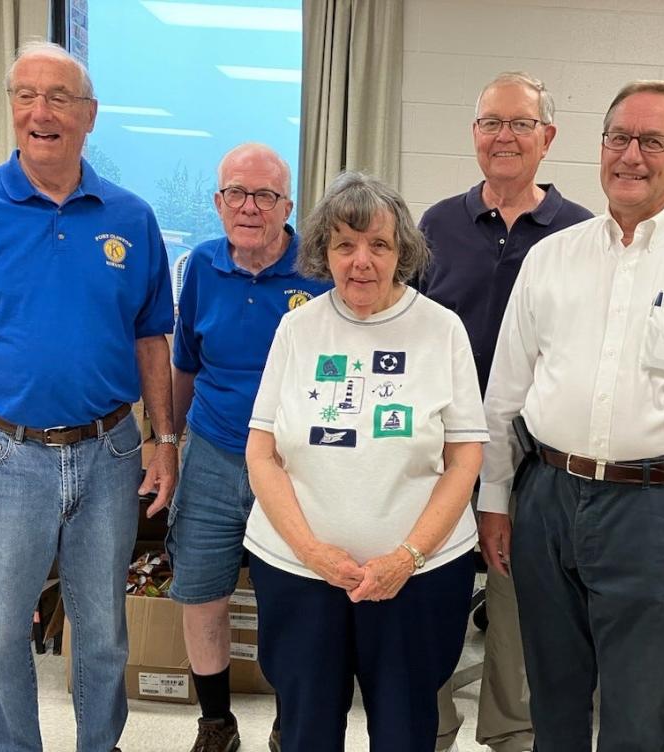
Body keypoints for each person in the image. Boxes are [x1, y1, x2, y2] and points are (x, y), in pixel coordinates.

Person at [0, 41, 178, 752]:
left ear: (88, 116)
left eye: (58, 97)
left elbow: (152, 341)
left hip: (109, 448)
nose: (40, 111)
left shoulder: (131, 217)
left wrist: (163, 440)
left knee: (103, 633)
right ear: (11, 109)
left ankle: (99, 745)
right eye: (25, 95)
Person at [480, 80, 664, 752]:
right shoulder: (551, 258)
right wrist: (494, 499)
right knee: (550, 696)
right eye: (617, 138)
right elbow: (504, 395)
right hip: (546, 495)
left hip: (652, 509)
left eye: (652, 141)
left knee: (636, 712)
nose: (630, 155)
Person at [244, 172, 489, 752]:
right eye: (344, 244)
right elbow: (263, 453)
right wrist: (311, 551)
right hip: (300, 572)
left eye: (378, 244)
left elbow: (464, 459)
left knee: (405, 730)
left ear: (402, 250)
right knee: (306, 730)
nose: (361, 261)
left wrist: (407, 556)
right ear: (322, 251)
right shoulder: (297, 328)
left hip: (419, 576)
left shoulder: (441, 329)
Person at [417, 71, 592, 752]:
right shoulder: (435, 225)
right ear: (473, 134)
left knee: (520, 606)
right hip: (440, 452)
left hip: (533, 459)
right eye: (491, 122)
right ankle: (429, 726)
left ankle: (510, 731)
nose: (504, 137)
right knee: (432, 591)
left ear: (547, 137)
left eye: (520, 124)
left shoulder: (578, 232)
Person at [167, 143, 331, 752]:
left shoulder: (318, 272)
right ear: (218, 201)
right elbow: (185, 364)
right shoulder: (201, 266)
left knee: (291, 599)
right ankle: (216, 724)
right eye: (236, 192)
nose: (249, 206)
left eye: (264, 195)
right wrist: (165, 445)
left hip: (294, 464)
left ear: (288, 205)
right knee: (201, 591)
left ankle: (292, 720)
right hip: (211, 452)